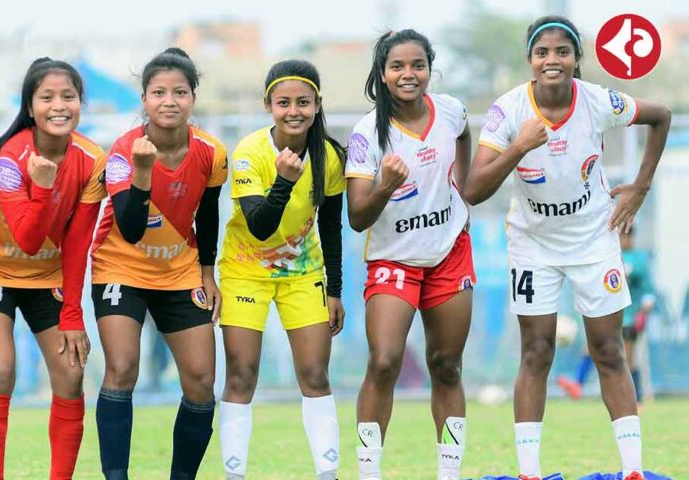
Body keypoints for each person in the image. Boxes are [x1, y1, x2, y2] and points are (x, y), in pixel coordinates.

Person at [464, 15, 671, 480]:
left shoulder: (599, 101)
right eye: (543, 53)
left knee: (609, 350)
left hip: (593, 239)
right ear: (530, 61)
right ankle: (530, 473)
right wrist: (517, 148)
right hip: (532, 245)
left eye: (562, 52)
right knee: (536, 352)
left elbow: (661, 116)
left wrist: (639, 186)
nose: (552, 60)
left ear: (577, 60)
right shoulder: (508, 111)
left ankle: (634, 470)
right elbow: (473, 190)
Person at [0, 58, 106, 480]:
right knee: (2, 371)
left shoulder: (91, 158)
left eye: (68, 96)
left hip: (47, 278)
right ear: (30, 107)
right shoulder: (8, 157)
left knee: (70, 375)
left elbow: (78, 244)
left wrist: (73, 313)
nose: (58, 105)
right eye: (47, 97)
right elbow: (27, 238)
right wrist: (43, 186)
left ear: (81, 102)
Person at [90, 47, 226, 480]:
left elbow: (207, 215)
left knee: (202, 381)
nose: (170, 101)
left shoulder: (211, 151)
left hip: (180, 271)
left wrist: (208, 273)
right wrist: (143, 173)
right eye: (159, 92)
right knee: (123, 367)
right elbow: (129, 228)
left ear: (193, 97)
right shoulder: (123, 151)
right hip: (120, 268)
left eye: (180, 92)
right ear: (144, 99)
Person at [346, 29, 474, 480]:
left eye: (417, 65)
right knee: (383, 362)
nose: (408, 74)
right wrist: (384, 185)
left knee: (447, 365)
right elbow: (358, 217)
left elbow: (463, 135)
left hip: (449, 253)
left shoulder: (451, 110)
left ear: (429, 69)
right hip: (393, 260)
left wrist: (464, 185)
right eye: (397, 66)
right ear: (382, 74)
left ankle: (449, 472)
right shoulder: (366, 134)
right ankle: (368, 472)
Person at [217, 59, 346, 480]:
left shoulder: (328, 155)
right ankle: (235, 473)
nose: (294, 110)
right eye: (284, 102)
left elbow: (330, 226)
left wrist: (335, 290)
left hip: (301, 272)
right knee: (241, 373)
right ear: (268, 105)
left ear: (317, 104)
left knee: (314, 372)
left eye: (303, 102)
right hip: (245, 270)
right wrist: (285, 181)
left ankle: (327, 473)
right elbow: (259, 226)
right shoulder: (251, 152)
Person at [557, 226, 657, 404]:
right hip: (608, 312)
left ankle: (637, 398)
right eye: (620, 235)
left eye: (626, 235)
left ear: (632, 237)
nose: (623, 239)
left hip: (630, 316)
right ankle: (577, 384)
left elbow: (648, 290)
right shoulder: (610, 255)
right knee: (591, 346)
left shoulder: (639, 259)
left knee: (628, 358)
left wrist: (645, 309)